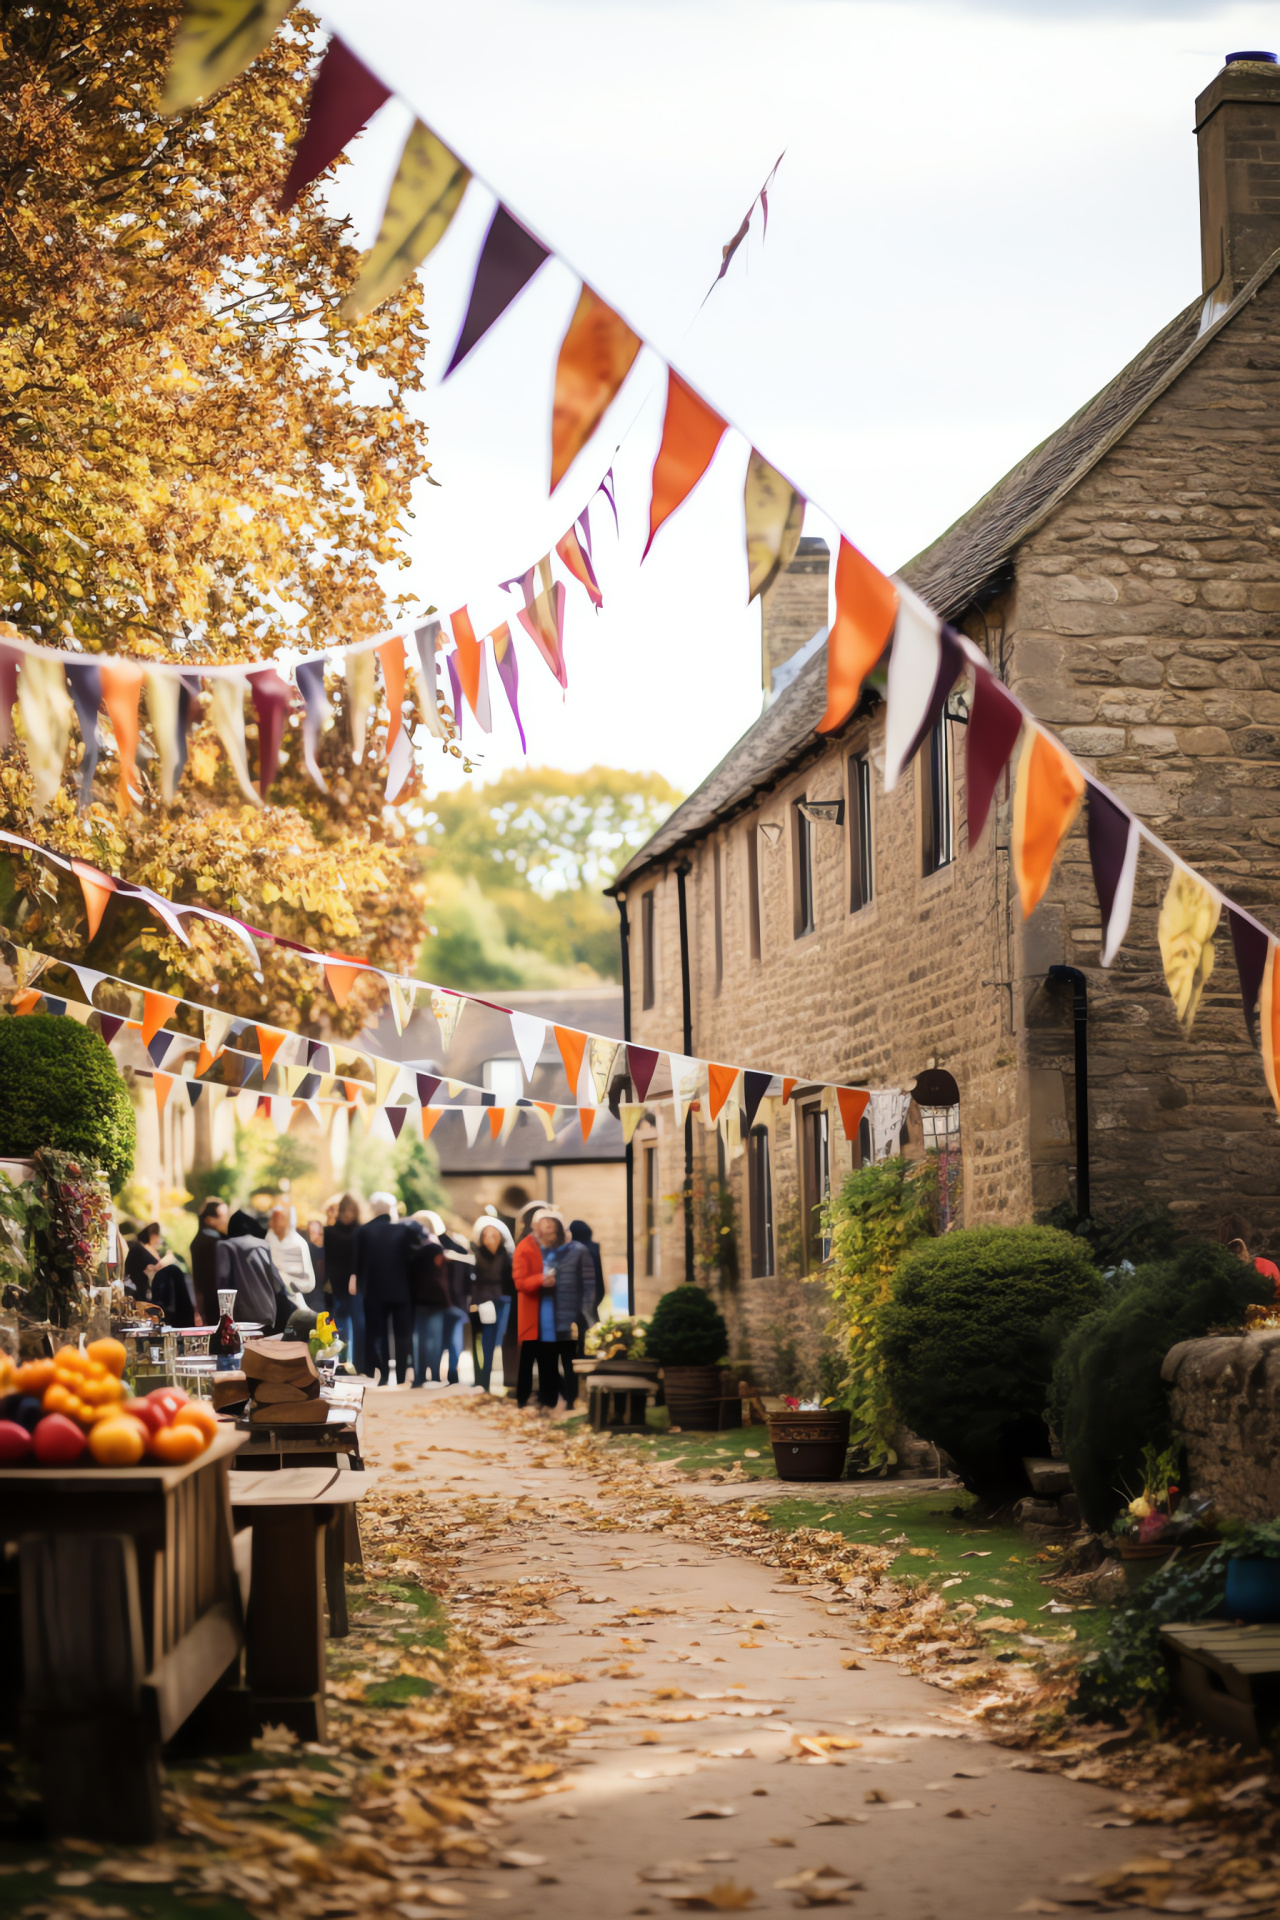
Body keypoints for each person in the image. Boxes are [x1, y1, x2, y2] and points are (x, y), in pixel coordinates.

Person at [357, 1192, 424, 1386]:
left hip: (374, 1291)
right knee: (403, 1334)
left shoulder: (364, 1231)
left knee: (379, 1334)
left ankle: (384, 1375)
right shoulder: (404, 1229)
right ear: (391, 1209)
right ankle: (402, 1375)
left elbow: (360, 1264)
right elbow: (414, 1259)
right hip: (402, 1290)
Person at [417, 1210, 473, 1384]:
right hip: (453, 1301)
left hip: (442, 1301)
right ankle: (451, 1375)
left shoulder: (429, 1248)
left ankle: (437, 1375)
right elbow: (467, 1278)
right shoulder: (458, 1249)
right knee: (451, 1341)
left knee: (438, 1340)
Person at [469, 1214, 514, 1393]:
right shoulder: (477, 1254)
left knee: (499, 1339)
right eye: (487, 1233)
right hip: (482, 1301)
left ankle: (503, 1379)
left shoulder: (508, 1255)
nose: (490, 1236)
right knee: (483, 1341)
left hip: (503, 1300)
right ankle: (482, 1379)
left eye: (494, 1233)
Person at [407, 1212, 450, 1385]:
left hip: (419, 1299)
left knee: (419, 1340)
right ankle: (435, 1376)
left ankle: (419, 1377)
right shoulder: (438, 1248)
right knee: (434, 1339)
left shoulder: (415, 1248)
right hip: (436, 1299)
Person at [324, 1192, 365, 1373]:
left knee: (343, 1324)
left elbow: (328, 1260)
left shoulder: (330, 1232)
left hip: (339, 1282)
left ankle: (344, 1362)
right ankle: (351, 1362)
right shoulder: (361, 1232)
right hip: (352, 1283)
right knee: (352, 1324)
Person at [267, 1204, 316, 1311]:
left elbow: (309, 1283)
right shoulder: (269, 1240)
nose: (275, 1223)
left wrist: (288, 1282)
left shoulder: (298, 1243)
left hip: (293, 1303)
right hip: (271, 1302)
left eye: (279, 1219)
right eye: (274, 1219)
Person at [190, 1197, 228, 1323]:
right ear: (209, 1220)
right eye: (223, 1216)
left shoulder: (207, 1240)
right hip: (214, 1304)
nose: (226, 1220)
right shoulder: (210, 1243)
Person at [569, 1218, 605, 1342]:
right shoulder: (593, 1248)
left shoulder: (580, 1251)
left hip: (582, 1297)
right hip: (594, 1295)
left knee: (583, 1332)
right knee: (590, 1329)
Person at [124, 1221, 165, 1302]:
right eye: (157, 1237)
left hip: (135, 1287)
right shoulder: (143, 1249)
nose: (158, 1240)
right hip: (136, 1290)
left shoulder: (138, 1245)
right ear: (152, 1236)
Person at [305, 1216, 327, 1311]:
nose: (313, 1233)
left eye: (315, 1231)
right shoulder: (307, 1246)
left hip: (321, 1288)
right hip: (313, 1288)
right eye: (311, 1231)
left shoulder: (324, 1247)